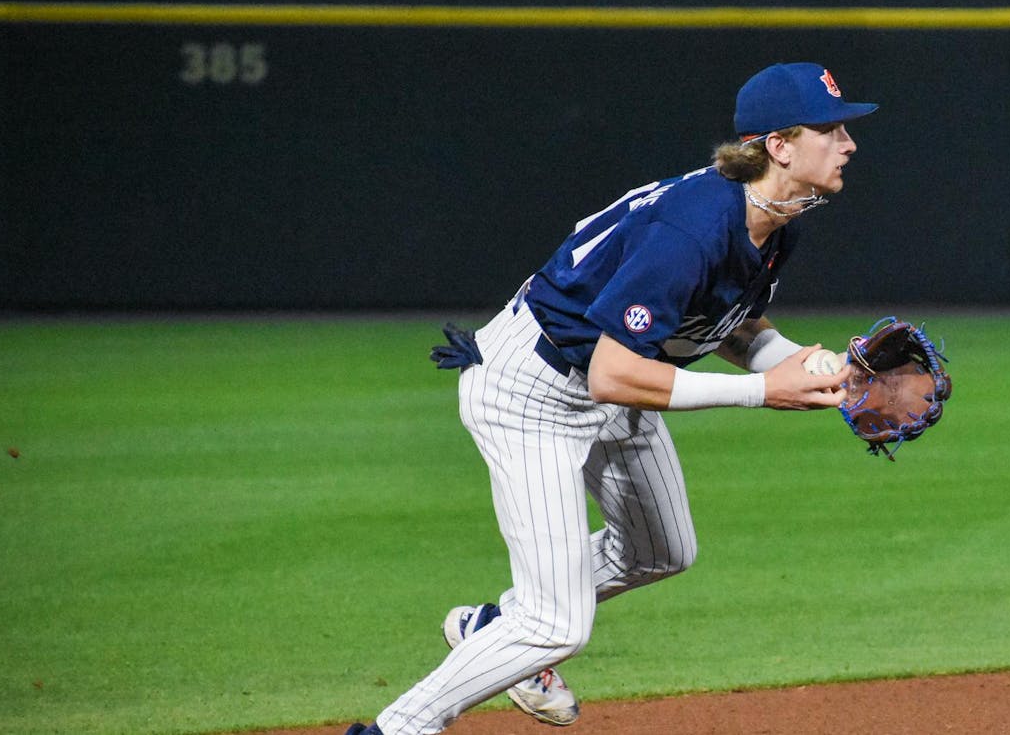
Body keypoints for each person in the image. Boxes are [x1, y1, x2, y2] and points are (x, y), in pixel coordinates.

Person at [346, 62, 878, 735]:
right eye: (831, 129)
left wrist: (814, 366)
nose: (849, 143)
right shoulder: (693, 228)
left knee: (663, 550)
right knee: (555, 623)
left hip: (611, 378)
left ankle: (489, 626)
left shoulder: (779, 215)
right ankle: (397, 728)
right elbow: (611, 374)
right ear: (778, 145)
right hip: (531, 390)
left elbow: (729, 324)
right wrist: (761, 392)